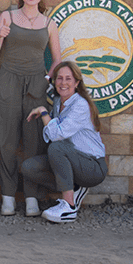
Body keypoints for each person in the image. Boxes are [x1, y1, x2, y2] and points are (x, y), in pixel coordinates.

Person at [0, 0, 62, 217]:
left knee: (33, 141)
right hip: (8, 80)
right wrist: (0, 35)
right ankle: (8, 197)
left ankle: (31, 198)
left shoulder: (49, 23)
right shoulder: (7, 17)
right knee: (7, 139)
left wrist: (45, 78)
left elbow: (57, 59)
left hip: (35, 84)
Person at [22, 61, 108, 223]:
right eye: (59, 78)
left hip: (93, 167)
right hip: (73, 160)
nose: (63, 83)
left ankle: (69, 207)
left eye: (68, 79)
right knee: (29, 167)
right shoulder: (58, 102)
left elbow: (56, 136)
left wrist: (43, 112)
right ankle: (73, 188)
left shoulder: (80, 105)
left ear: (76, 83)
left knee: (57, 148)